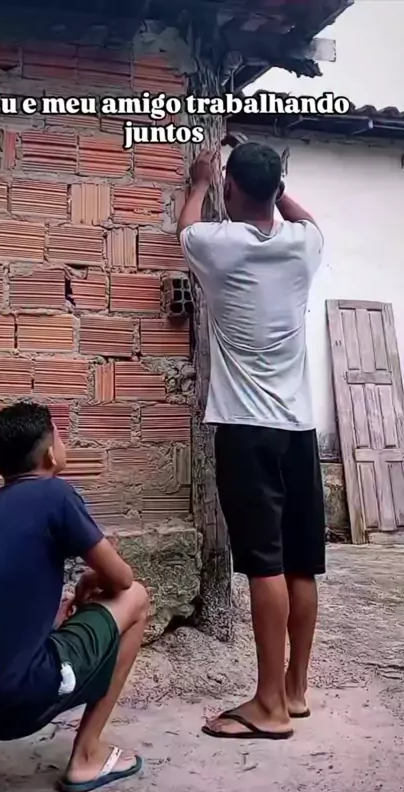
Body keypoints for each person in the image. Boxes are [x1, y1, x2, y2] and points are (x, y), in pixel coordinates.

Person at [0, 402, 149, 792]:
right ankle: (88, 755)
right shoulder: (54, 494)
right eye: (60, 436)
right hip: (18, 698)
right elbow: (122, 579)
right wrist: (98, 577)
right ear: (50, 453)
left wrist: (54, 617)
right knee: (136, 597)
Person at [178, 143, 325, 740]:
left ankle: (268, 707)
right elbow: (306, 218)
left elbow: (185, 226)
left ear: (230, 189)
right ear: (279, 190)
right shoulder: (305, 246)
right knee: (300, 564)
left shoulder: (218, 245)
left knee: (264, 566)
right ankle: (295, 690)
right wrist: (274, 188)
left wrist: (199, 181)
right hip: (299, 431)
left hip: (247, 430)